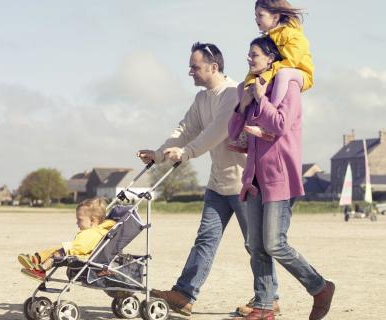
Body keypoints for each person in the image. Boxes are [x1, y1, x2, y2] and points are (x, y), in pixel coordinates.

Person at [136, 42, 280, 317]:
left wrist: (187, 152)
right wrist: (159, 154)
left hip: (244, 183)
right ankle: (184, 294)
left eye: (195, 66)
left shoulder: (231, 92)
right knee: (205, 239)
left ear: (213, 67)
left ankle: (269, 298)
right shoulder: (202, 99)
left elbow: (220, 130)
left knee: (255, 243)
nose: (190, 71)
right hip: (217, 184)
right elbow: (185, 129)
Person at [229, 36, 334, 320]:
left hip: (280, 176)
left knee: (274, 243)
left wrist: (262, 99)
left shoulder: (287, 87)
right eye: (248, 54)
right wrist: (244, 104)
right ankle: (264, 305)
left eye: (254, 54)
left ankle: (320, 287)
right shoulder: (249, 89)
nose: (249, 59)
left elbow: (279, 124)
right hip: (254, 178)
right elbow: (232, 133)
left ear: (270, 58)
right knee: (256, 245)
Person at [228, 0, 314, 153]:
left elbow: (290, 62)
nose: (256, 19)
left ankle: (268, 125)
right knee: (243, 85)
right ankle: (244, 137)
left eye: (260, 15)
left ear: (275, 17)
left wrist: (265, 77)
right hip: (279, 73)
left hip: (299, 73)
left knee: (282, 74)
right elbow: (258, 69)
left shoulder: (294, 35)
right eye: (255, 15)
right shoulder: (268, 38)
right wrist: (249, 86)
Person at [17, 198, 115, 281]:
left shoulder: (93, 233)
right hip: (81, 252)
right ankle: (36, 259)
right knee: (57, 249)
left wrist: (66, 249)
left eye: (79, 220)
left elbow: (81, 246)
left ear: (93, 220)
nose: (77, 223)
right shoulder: (96, 230)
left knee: (59, 252)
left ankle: (41, 270)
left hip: (84, 257)